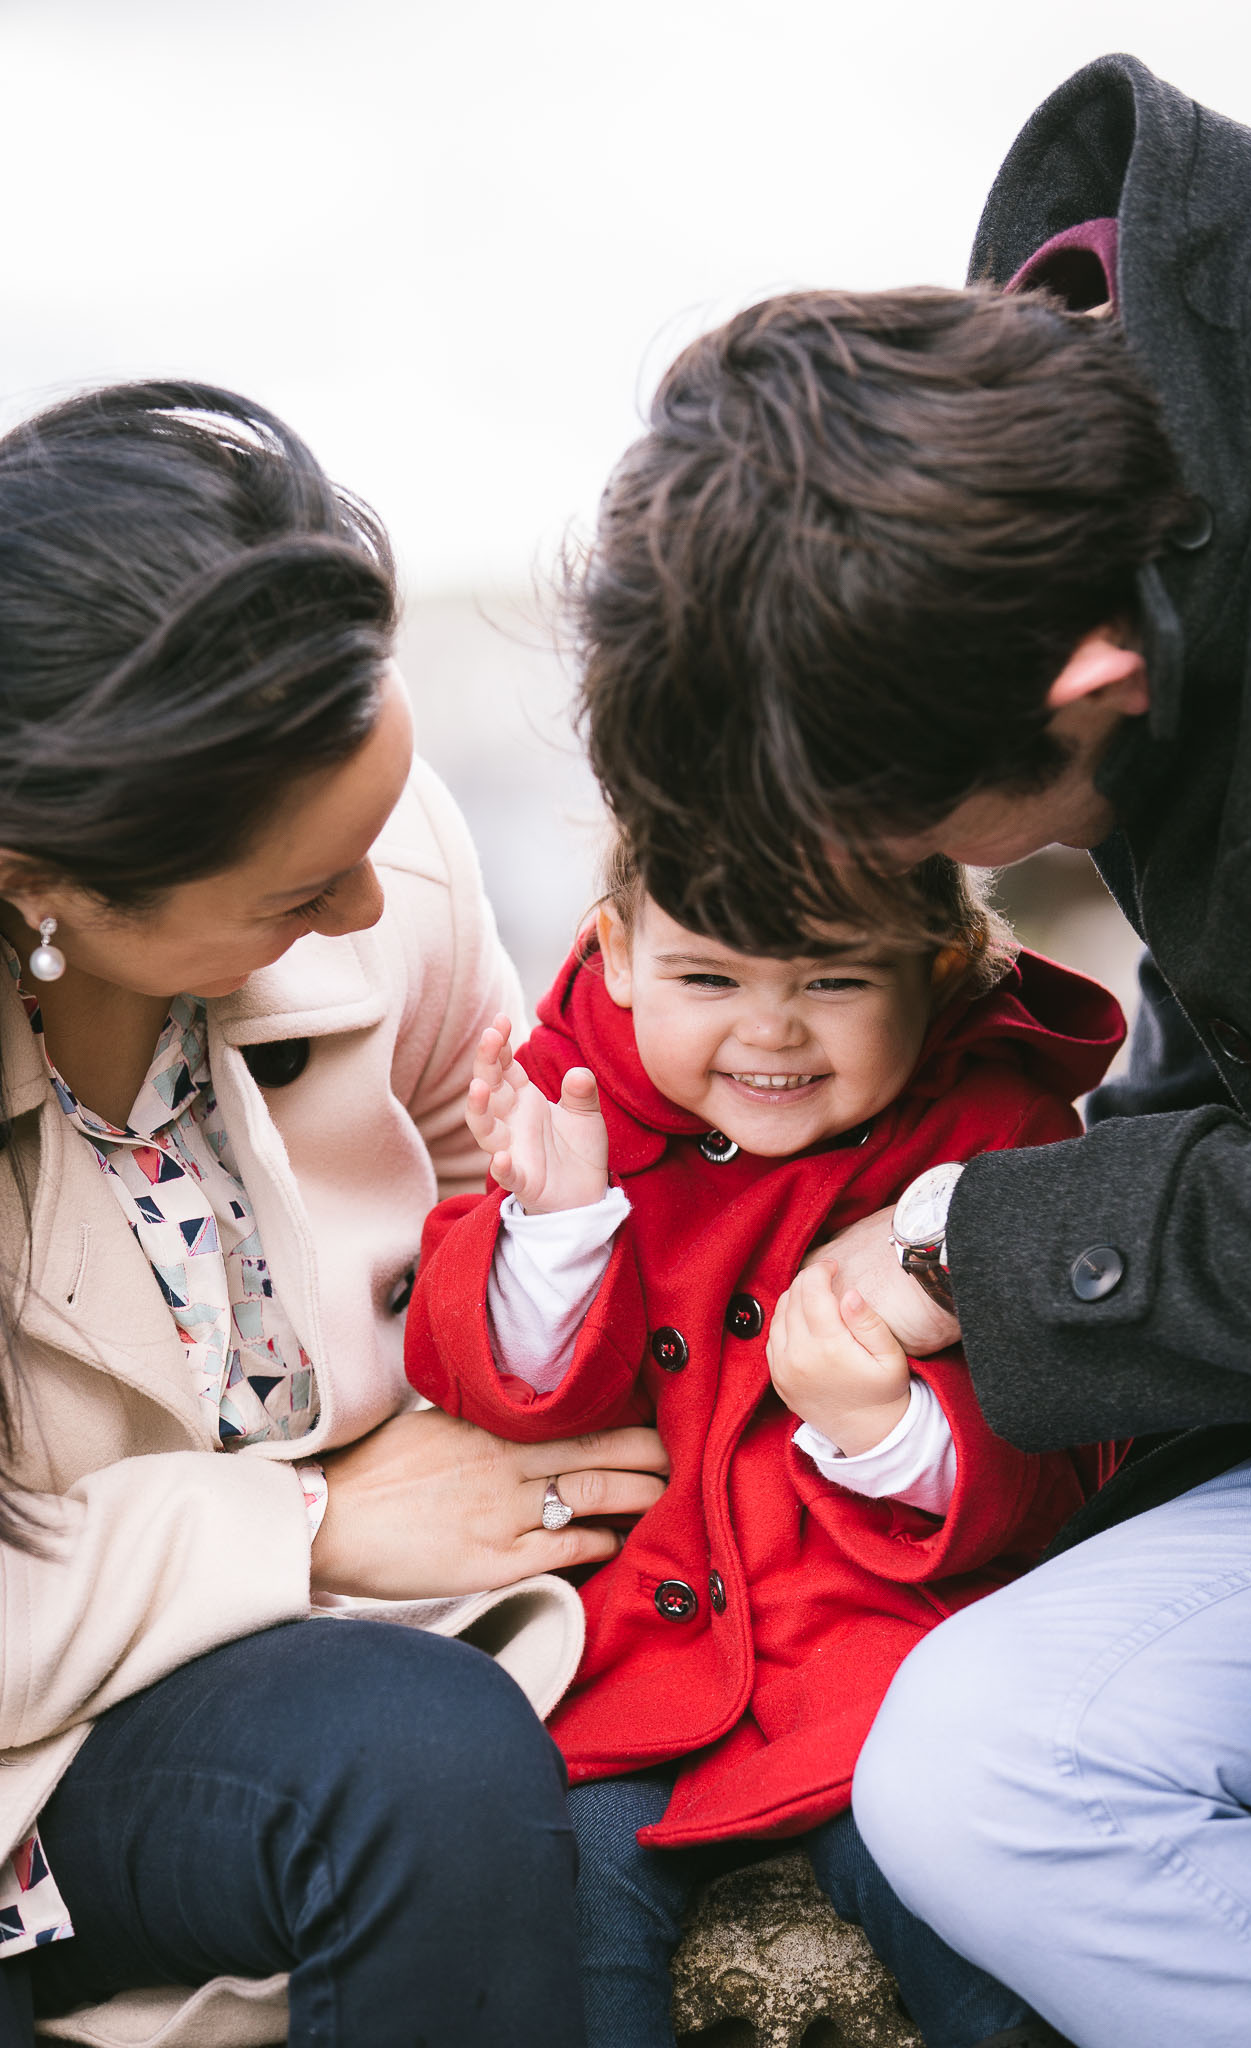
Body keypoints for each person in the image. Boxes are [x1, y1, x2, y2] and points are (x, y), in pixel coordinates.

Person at [567, 51, 1251, 2048]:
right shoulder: (1009, 524)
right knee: (987, 1773)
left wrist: (970, 1236)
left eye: (927, 859)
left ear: (1089, 680)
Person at [0, 380, 673, 2048]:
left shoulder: (389, 857)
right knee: (409, 1753)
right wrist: (302, 1523)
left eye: (381, 825)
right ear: (38, 879)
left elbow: (507, 1219)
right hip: (40, 1737)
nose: (374, 908)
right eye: (303, 893)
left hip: (363, 1641)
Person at [404, 841, 1125, 2048]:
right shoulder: (574, 1103)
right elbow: (498, 1387)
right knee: (563, 1914)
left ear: (937, 965)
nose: (772, 1030)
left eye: (833, 981)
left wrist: (887, 1429)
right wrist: (559, 1226)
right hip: (622, 1669)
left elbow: (1067, 1454)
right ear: (622, 956)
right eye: (711, 980)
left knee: (973, 1900)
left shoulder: (993, 1129)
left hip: (885, 1666)